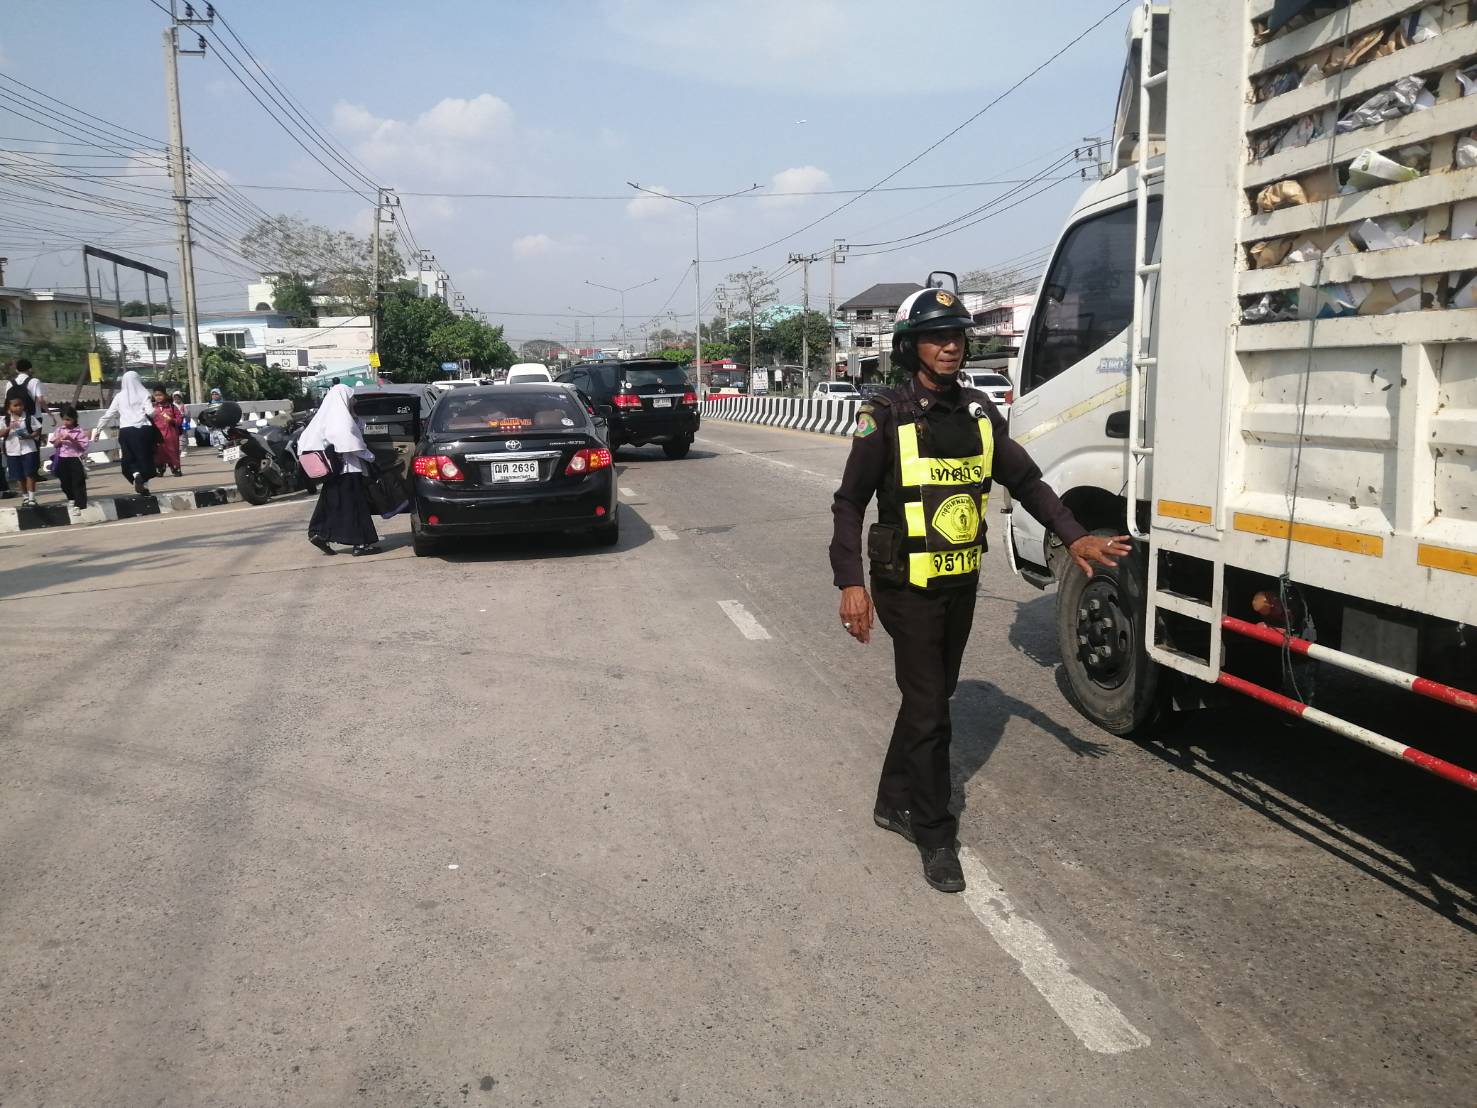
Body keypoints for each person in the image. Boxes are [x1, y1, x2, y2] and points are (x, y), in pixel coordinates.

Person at [829, 286, 1130, 894]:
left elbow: (1026, 480)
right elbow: (849, 503)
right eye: (936, 337)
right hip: (905, 587)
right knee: (930, 711)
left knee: (930, 698)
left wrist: (1073, 536)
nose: (950, 346)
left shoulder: (978, 412)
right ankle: (934, 833)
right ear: (910, 347)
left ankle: (891, 799)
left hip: (959, 581)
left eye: (957, 336)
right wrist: (851, 584)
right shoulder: (883, 415)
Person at [297, 383, 381, 556]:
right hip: (347, 470)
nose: (354, 401)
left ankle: (319, 533)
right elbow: (350, 444)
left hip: (332, 472)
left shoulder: (325, 417)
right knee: (354, 506)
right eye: (351, 398)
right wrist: (372, 457)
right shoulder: (340, 419)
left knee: (331, 504)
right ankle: (360, 544)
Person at [92, 370, 157, 496]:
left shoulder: (119, 396)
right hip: (144, 430)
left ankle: (136, 475)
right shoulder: (144, 393)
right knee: (145, 457)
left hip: (126, 431)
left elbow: (108, 414)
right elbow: (150, 412)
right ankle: (144, 484)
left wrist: (99, 429)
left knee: (129, 457)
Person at [3, 394, 45, 507]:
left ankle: (31, 497)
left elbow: (38, 429)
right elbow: (1, 433)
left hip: (28, 449)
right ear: (9, 407)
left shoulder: (29, 418)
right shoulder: (5, 420)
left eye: (20, 405)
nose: (19, 407)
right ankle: (25, 497)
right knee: (19, 475)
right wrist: (9, 428)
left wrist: (30, 436)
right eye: (15, 405)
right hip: (12, 450)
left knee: (30, 473)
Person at [49, 404, 89, 509]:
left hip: (75, 458)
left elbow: (82, 447)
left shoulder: (79, 431)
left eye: (68, 420)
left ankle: (80, 504)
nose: (65, 422)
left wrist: (71, 439)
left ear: (74, 419)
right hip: (62, 458)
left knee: (78, 481)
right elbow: (55, 445)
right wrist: (59, 440)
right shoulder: (59, 430)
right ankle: (71, 498)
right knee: (65, 482)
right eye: (64, 419)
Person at [151, 386, 185, 477]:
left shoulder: (172, 407)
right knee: (158, 452)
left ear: (165, 395)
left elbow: (180, 419)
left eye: (160, 395)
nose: (158, 397)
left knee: (173, 451)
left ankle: (175, 468)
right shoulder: (152, 408)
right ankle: (160, 468)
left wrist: (172, 420)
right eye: (156, 395)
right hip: (157, 434)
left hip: (171, 433)